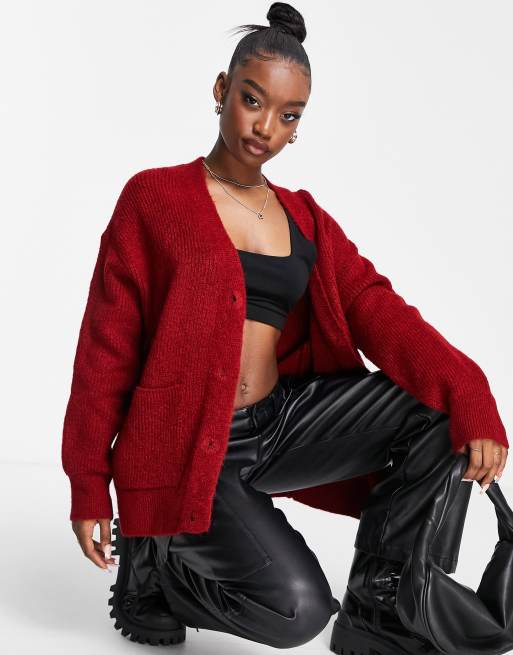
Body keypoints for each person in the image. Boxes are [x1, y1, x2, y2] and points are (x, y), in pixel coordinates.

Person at [61, 2, 509, 652]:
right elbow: (104, 351)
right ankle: (157, 568)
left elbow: (378, 309)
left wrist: (471, 389)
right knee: (298, 612)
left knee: (439, 406)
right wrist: (87, 487)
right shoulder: (154, 199)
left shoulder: (304, 218)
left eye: (288, 114)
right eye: (252, 100)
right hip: (187, 443)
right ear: (221, 90)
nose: (265, 126)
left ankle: (383, 604)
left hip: (277, 425)